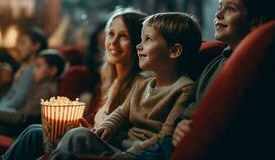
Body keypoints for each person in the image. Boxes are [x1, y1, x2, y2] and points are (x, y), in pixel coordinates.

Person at [132, 0, 275, 160]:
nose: (218, 14)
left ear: (256, 22)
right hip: (178, 142)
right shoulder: (213, 64)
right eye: (220, 6)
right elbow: (191, 108)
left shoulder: (262, 68)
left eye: (230, 8)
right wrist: (181, 124)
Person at [47, 12, 202, 159]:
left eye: (147, 39)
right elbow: (121, 113)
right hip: (119, 147)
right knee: (77, 134)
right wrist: (107, 127)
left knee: (77, 135)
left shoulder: (184, 88)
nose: (139, 46)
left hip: (138, 154)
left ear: (174, 51)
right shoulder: (142, 82)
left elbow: (166, 136)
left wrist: (132, 153)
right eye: (140, 40)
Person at [0, 7, 147, 160]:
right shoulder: (110, 81)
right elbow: (94, 123)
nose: (113, 42)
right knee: (34, 131)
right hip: (86, 137)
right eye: (110, 34)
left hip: (102, 148)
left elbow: (125, 138)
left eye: (124, 36)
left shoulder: (141, 85)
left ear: (138, 43)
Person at [0, 49, 67, 137]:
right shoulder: (40, 86)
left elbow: (22, 118)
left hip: (20, 132)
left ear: (52, 70)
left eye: (38, 66)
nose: (33, 71)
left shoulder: (45, 91)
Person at [0, 27, 47, 111]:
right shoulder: (23, 66)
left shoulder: (32, 71)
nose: (18, 46)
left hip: (7, 113)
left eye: (22, 43)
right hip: (0, 106)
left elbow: (16, 101)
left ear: (35, 46)